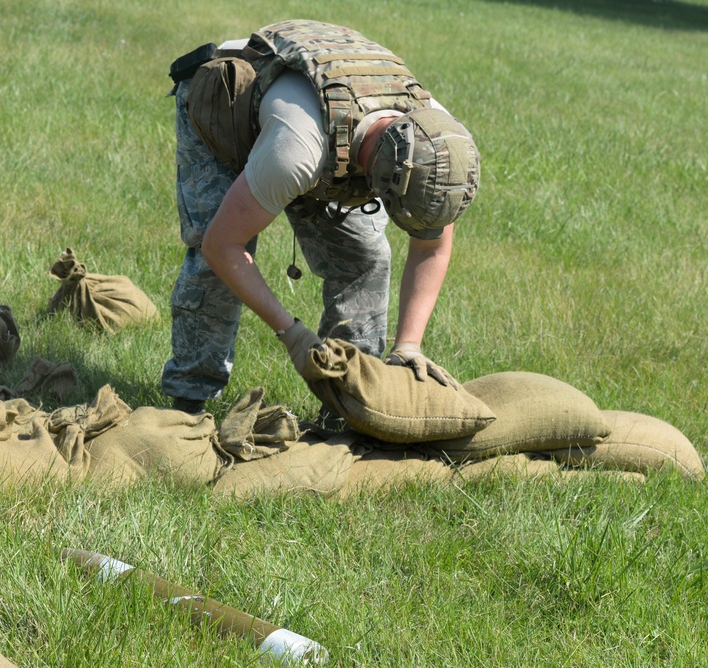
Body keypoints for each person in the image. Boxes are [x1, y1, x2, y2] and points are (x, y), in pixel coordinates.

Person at [161, 20, 480, 418]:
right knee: (215, 264)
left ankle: (351, 402)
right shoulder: (296, 152)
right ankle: (190, 398)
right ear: (380, 179)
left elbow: (432, 246)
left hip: (323, 133)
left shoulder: (437, 147)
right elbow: (222, 246)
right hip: (227, 101)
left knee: (366, 258)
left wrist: (409, 345)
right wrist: (291, 334)